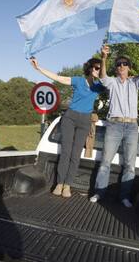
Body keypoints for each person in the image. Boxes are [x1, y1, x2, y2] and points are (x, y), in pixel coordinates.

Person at [90, 44, 139, 208]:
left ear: (129, 68)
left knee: (130, 166)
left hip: (132, 127)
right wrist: (104, 57)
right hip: (114, 125)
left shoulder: (135, 82)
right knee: (105, 162)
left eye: (125, 64)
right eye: (118, 64)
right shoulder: (112, 82)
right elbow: (103, 77)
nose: (121, 66)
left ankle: (124, 197)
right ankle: (99, 192)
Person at [30, 56, 104, 198]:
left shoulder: (99, 86)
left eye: (100, 68)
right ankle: (59, 183)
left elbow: (109, 83)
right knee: (66, 152)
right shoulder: (78, 81)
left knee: (76, 155)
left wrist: (101, 74)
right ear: (89, 68)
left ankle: (67, 185)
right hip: (70, 117)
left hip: (85, 121)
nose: (98, 70)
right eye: (96, 67)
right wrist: (39, 68)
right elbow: (58, 78)